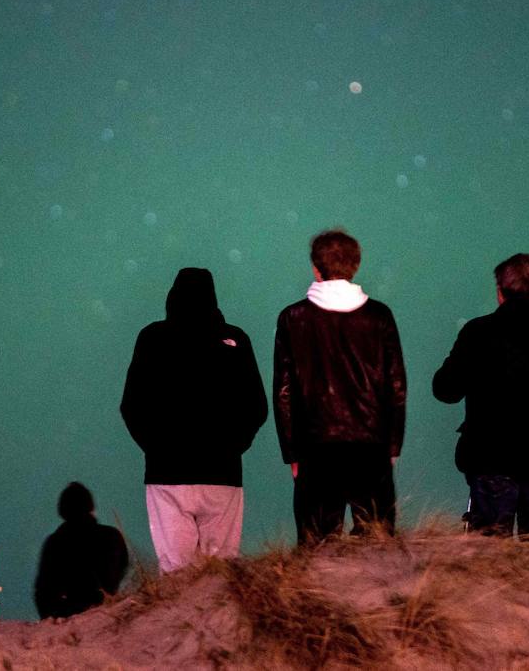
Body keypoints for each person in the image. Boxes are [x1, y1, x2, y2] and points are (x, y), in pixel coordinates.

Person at [121, 267, 268, 573]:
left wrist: (156, 447)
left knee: (176, 573)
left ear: (172, 296)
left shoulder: (152, 338)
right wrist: (233, 446)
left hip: (167, 473)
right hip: (223, 474)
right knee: (221, 573)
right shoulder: (235, 339)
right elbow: (257, 407)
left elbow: (132, 405)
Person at [274, 229, 407, 544]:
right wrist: (392, 446)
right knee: (378, 549)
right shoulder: (379, 316)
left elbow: (284, 392)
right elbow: (396, 386)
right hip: (370, 447)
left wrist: (291, 452)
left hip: (315, 449)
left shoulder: (293, 318)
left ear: (316, 267)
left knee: (316, 550)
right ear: (355, 265)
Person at [432, 253, 529, 536]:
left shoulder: (478, 332)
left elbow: (445, 390)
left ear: (500, 291)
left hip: (491, 459)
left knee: (486, 560)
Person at [33, 482, 130, 618]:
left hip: (69, 612)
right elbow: (123, 566)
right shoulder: (111, 535)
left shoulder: (55, 542)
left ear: (62, 509)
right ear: (90, 506)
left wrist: (49, 617)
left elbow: (43, 590)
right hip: (109, 607)